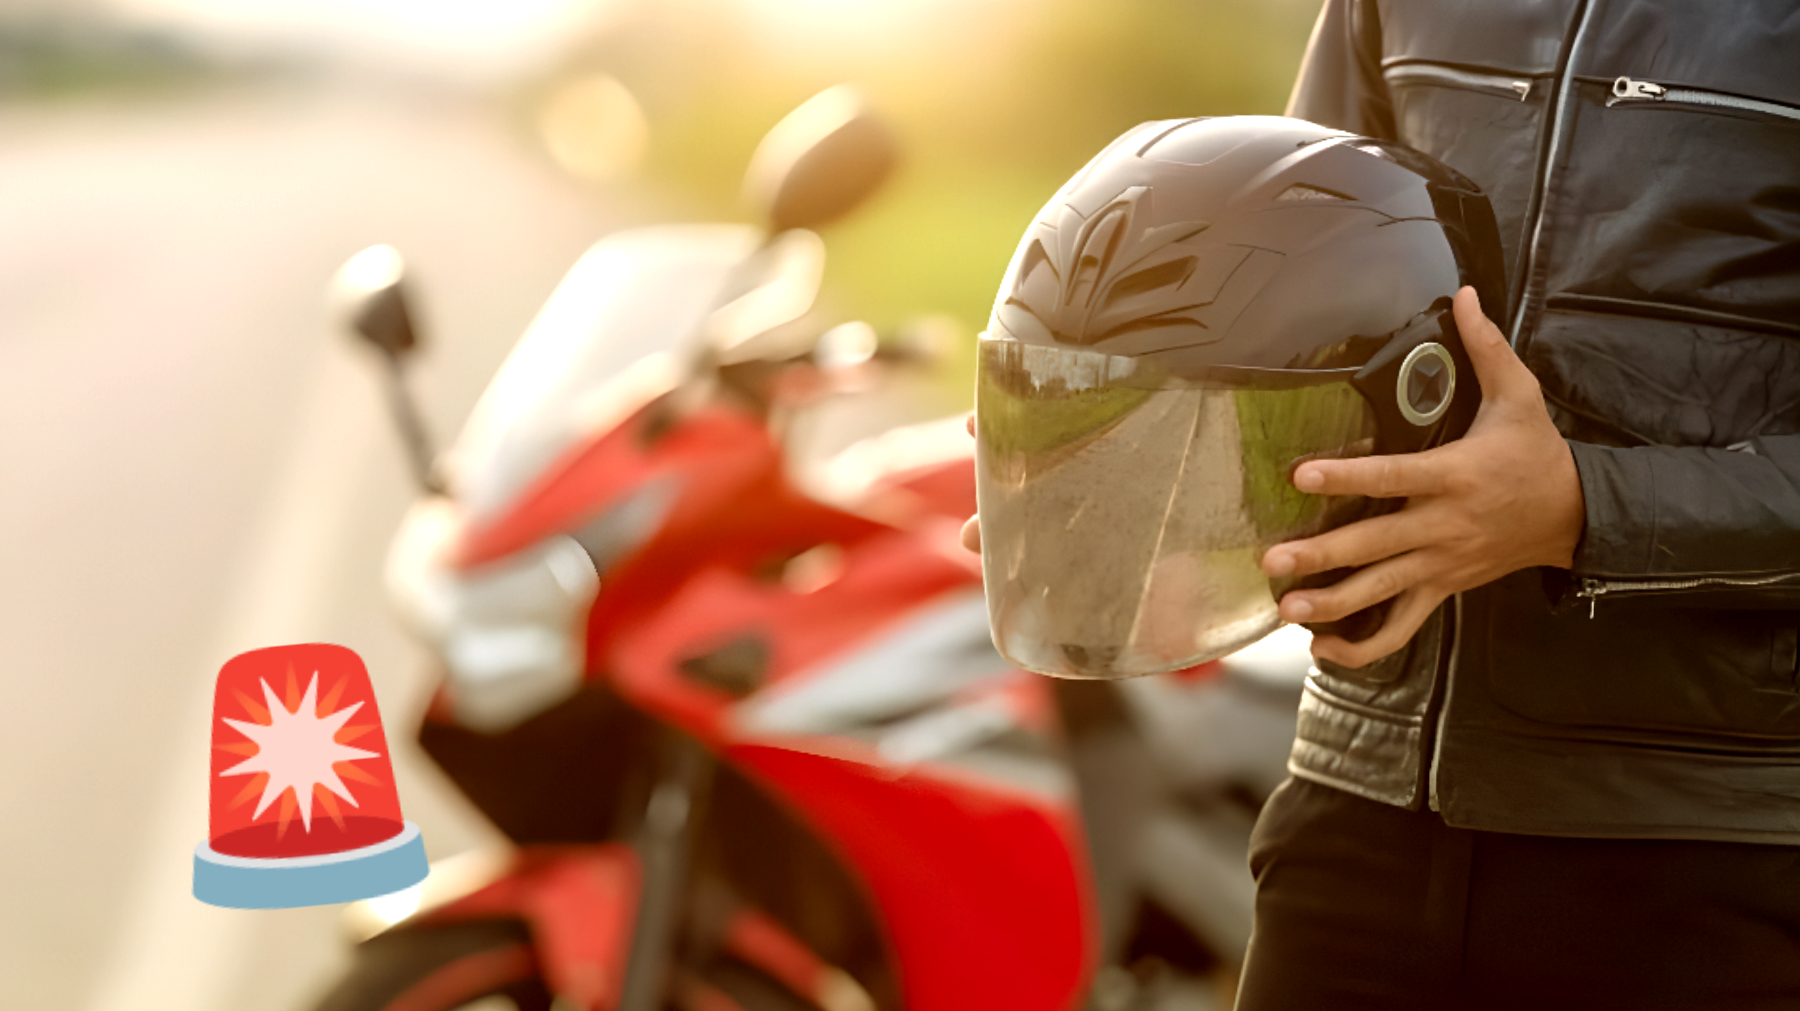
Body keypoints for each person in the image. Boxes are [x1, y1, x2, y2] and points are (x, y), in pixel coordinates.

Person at [966, 1, 1800, 1006]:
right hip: (1353, 804)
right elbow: (1292, 277)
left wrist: (1583, 507)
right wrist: (1135, 476)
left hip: (1715, 845)